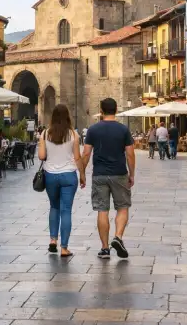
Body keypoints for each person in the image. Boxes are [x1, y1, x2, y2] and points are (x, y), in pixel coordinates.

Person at [82, 98, 135, 260]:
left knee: (102, 210)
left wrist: (82, 173)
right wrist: (131, 174)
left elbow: (86, 153)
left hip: (99, 174)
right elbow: (130, 154)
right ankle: (117, 237)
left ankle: (105, 249)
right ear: (116, 110)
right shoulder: (123, 130)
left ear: (101, 110)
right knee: (123, 207)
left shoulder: (92, 129)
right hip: (119, 173)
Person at [39, 104, 86, 257]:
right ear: (67, 116)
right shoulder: (73, 134)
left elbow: (40, 156)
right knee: (66, 210)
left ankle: (53, 240)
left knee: (54, 207)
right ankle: (64, 248)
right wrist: (82, 174)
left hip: (50, 175)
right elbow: (77, 158)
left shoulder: (45, 134)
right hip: (68, 175)